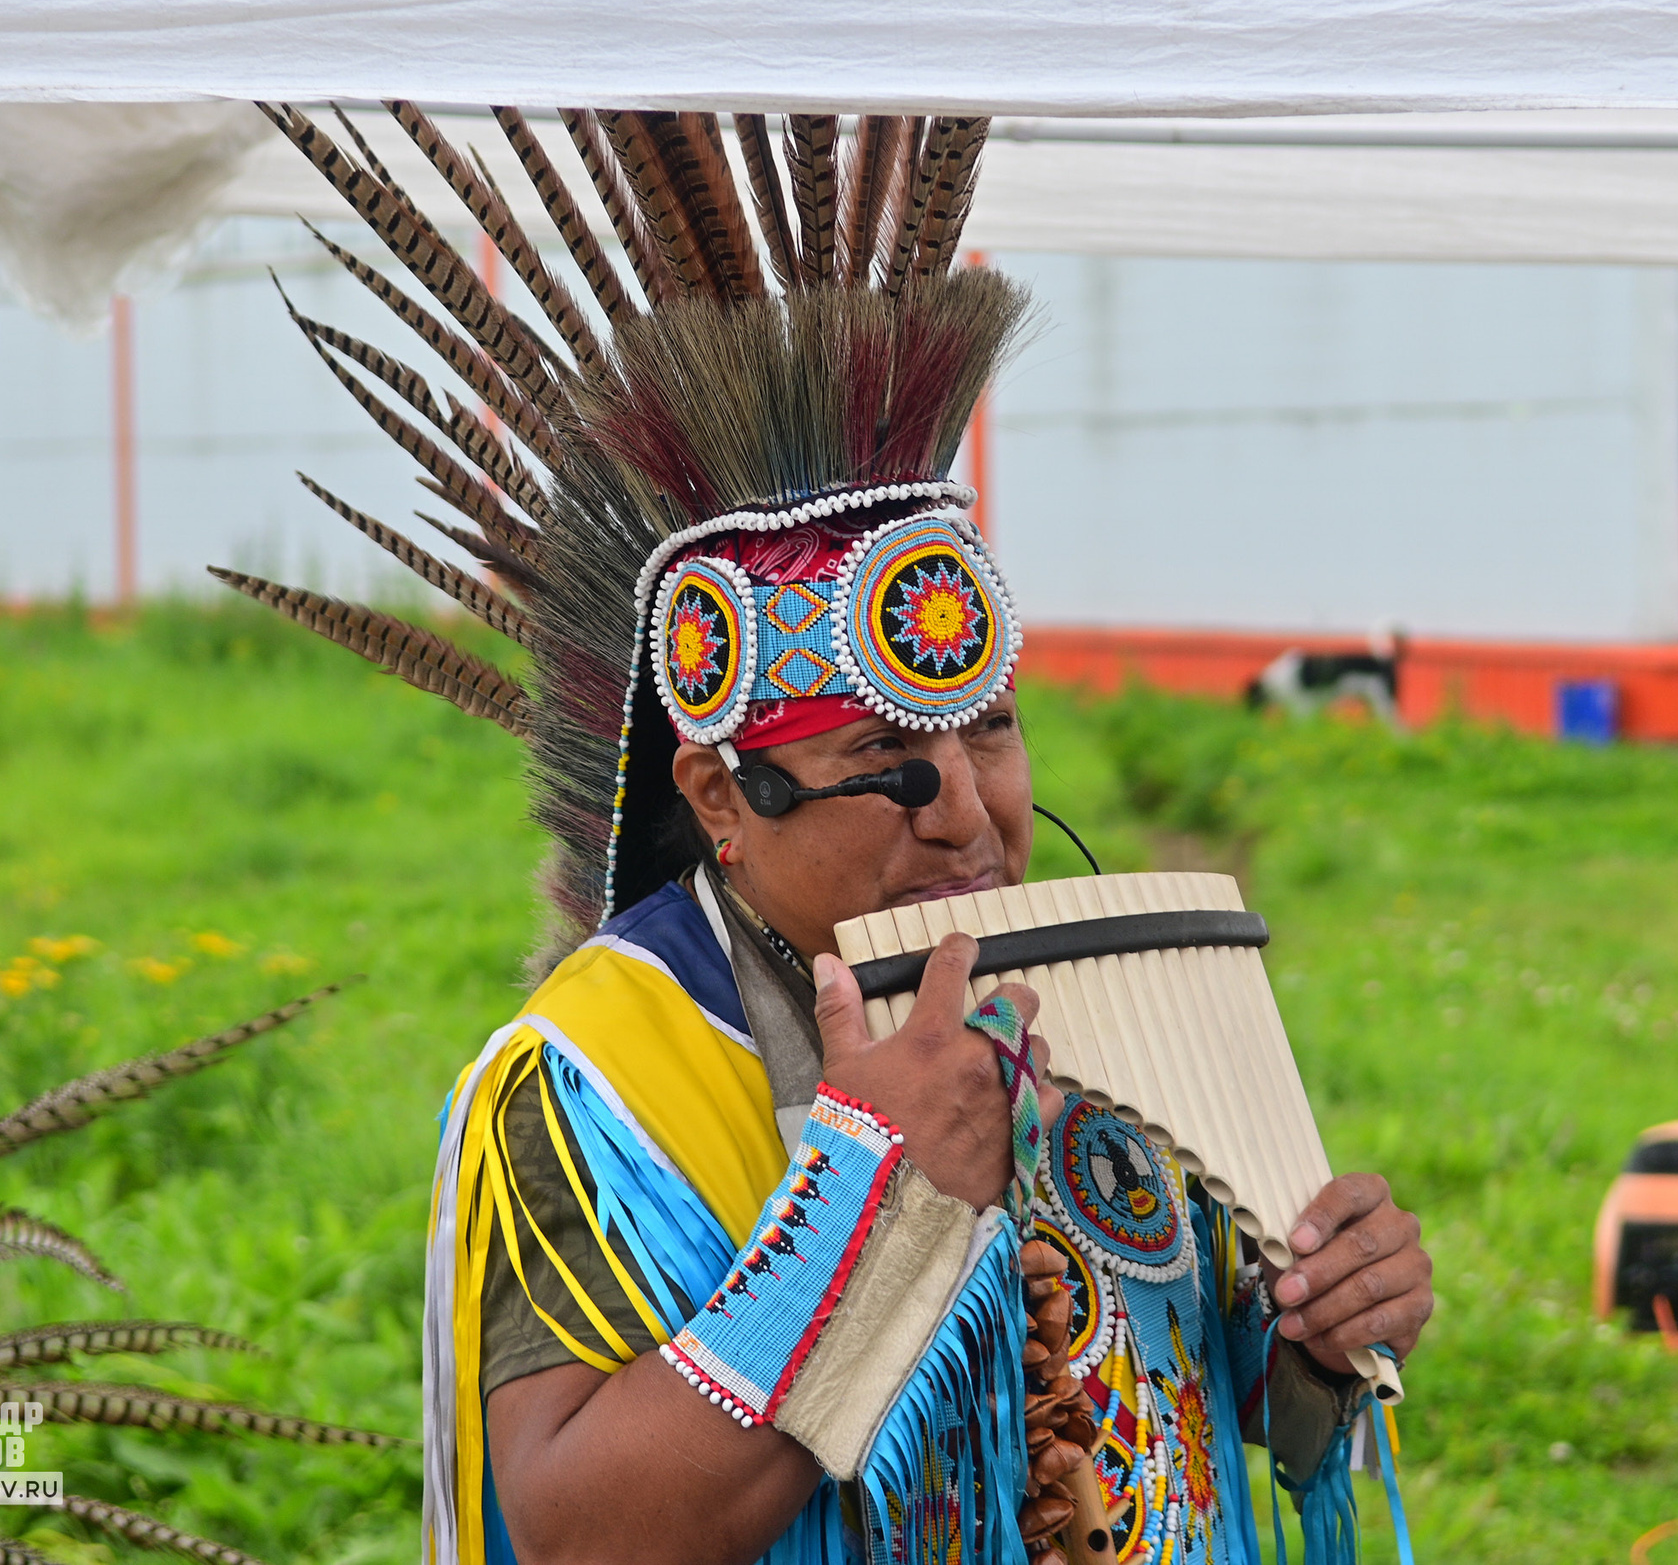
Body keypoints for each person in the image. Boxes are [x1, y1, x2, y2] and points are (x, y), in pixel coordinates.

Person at [217, 104, 1433, 1565]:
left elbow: (1218, 1409)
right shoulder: (594, 1077)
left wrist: (1314, 1339)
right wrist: (876, 1198)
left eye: (991, 731)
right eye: (887, 763)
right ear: (724, 797)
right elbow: (576, 1531)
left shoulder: (1092, 1000)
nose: (975, 814)